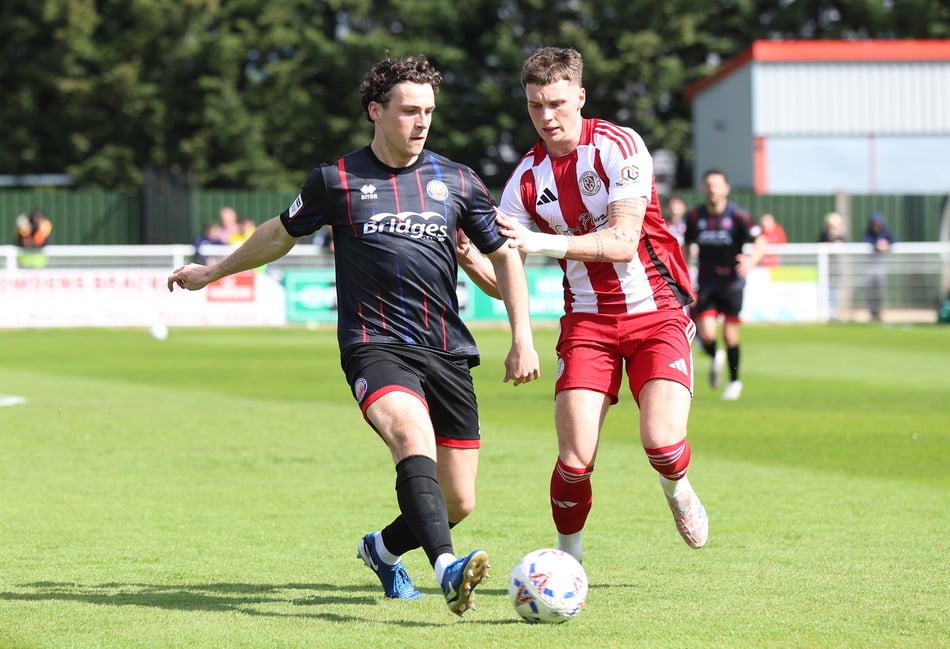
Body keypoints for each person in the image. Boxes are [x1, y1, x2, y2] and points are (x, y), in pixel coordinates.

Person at [167, 53, 540, 617]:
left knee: (458, 499)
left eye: (429, 112)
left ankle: (383, 550)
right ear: (376, 110)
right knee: (409, 436)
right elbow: (278, 233)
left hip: (446, 351)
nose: (421, 122)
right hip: (375, 346)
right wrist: (211, 271)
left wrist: (522, 337)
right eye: (409, 110)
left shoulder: (457, 180)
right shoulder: (336, 179)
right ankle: (446, 568)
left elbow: (502, 264)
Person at [492, 46, 709, 562]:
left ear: (580, 97)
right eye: (535, 106)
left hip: (656, 312)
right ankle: (569, 564)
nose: (546, 117)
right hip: (587, 322)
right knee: (574, 460)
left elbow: (623, 241)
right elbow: (506, 262)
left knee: (660, 444)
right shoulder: (524, 179)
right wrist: (520, 338)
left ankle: (677, 489)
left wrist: (540, 243)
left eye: (557, 103)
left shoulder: (618, 145)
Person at [683, 169, 767, 401]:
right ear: (703, 189)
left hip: (732, 284)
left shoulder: (738, 216)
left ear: (726, 189)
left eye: (717, 185)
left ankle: (734, 382)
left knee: (731, 335)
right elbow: (685, 246)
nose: (713, 189)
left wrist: (751, 260)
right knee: (707, 334)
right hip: (707, 284)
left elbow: (760, 239)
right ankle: (714, 355)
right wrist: (682, 274)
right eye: (709, 185)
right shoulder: (694, 217)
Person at [863, 213, 896, 322]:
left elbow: (894, 241)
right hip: (869, 267)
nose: (877, 226)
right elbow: (866, 243)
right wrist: (876, 246)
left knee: (879, 291)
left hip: (881, 267)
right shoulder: (868, 234)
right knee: (870, 291)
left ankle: (878, 312)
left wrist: (886, 244)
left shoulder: (886, 233)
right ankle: (872, 312)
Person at [818, 211, 848, 321]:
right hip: (825, 269)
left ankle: (833, 312)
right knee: (826, 289)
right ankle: (826, 311)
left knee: (834, 290)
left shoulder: (842, 237)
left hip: (836, 269)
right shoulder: (824, 235)